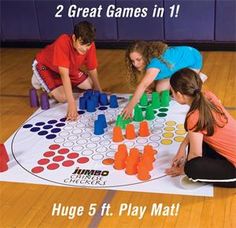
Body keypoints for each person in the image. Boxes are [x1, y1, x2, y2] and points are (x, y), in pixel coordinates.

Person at [165, 68, 236, 187]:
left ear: (178, 94)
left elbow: (195, 155)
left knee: (191, 167)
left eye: (171, 92)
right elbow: (198, 127)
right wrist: (182, 147)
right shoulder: (208, 96)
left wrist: (183, 170)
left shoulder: (193, 116)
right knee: (197, 142)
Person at [32, 21, 102, 121]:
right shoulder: (63, 42)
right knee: (63, 98)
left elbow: (92, 68)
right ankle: (39, 81)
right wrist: (72, 103)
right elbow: (64, 75)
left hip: (68, 68)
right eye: (82, 44)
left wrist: (99, 90)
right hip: (45, 67)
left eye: (88, 45)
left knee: (90, 85)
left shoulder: (89, 43)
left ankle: (59, 86)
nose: (85, 48)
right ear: (74, 38)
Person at [121, 41, 207, 119]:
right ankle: (180, 75)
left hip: (192, 60)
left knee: (184, 90)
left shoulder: (154, 63)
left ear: (146, 56)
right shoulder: (150, 63)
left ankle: (199, 77)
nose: (135, 64)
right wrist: (151, 86)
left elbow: (143, 84)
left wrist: (130, 106)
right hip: (175, 66)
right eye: (132, 61)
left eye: (138, 59)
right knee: (160, 90)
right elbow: (149, 79)